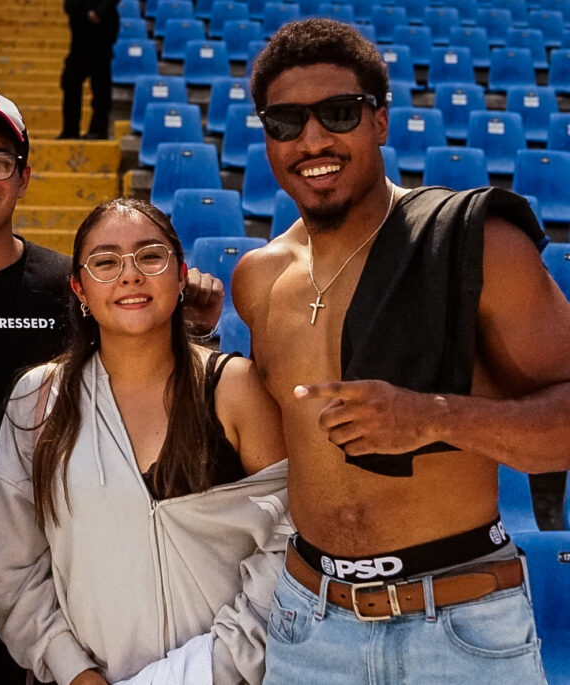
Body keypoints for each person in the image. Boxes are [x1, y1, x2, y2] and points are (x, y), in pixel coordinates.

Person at [232, 18, 570, 683]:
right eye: (286, 122)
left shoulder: (475, 244)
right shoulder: (257, 279)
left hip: (460, 625)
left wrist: (434, 416)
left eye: (339, 113)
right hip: (308, 624)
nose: (313, 140)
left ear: (380, 121)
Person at [0, 88, 225, 685]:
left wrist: (188, 329)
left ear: (24, 178)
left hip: (50, 586)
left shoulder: (74, 288)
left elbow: (142, 384)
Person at [0, 198, 290, 685]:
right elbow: (12, 568)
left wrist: (206, 670)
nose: (130, 275)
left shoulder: (235, 389)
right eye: (105, 262)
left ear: (181, 275)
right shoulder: (37, 400)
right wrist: (75, 672)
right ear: (80, 289)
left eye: (150, 256)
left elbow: (288, 545)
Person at [57, 0, 119, 139]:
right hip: (79, 33)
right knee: (70, 81)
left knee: (100, 86)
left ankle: (98, 130)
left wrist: (99, 12)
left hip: (101, 32)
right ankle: (70, 130)